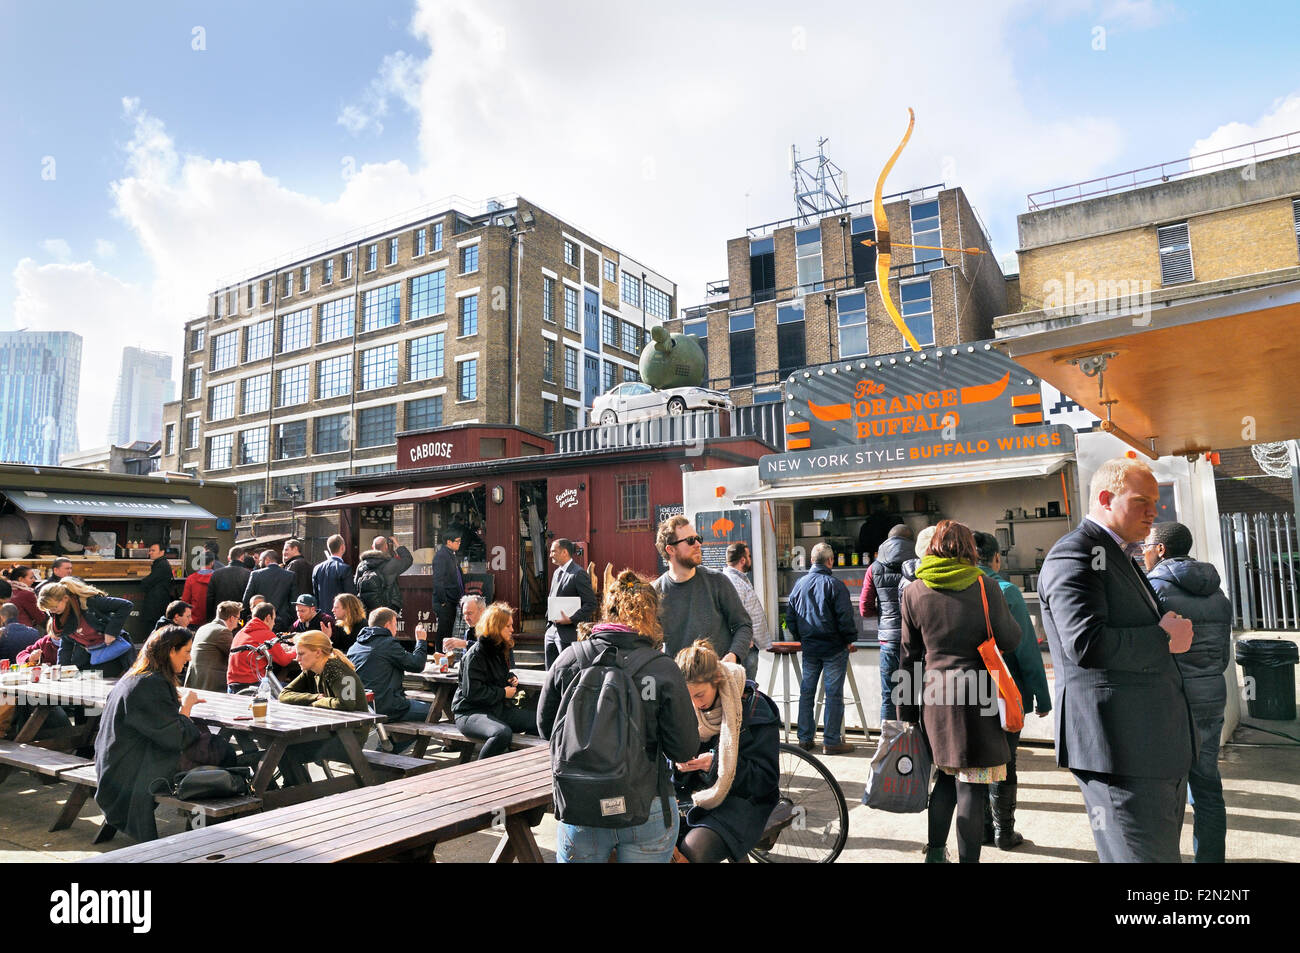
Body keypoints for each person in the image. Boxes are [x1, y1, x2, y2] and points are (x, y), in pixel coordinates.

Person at [1037, 457, 1195, 864]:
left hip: (1147, 747)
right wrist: (1163, 639)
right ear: (1106, 499)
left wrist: (1163, 623)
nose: (1153, 512)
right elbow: (1086, 643)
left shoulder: (1116, 552)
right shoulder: (1076, 552)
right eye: (1142, 500)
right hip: (1118, 751)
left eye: (1155, 501)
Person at [538, 570, 698, 863]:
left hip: (580, 805)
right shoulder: (662, 669)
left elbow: (547, 729)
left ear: (606, 609)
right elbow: (684, 749)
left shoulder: (570, 659)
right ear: (652, 614)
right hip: (646, 806)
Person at [899, 520, 1022, 863]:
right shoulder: (984, 586)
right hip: (978, 691)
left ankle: (935, 855)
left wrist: (905, 715)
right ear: (970, 549)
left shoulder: (914, 591)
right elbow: (1011, 640)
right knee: (972, 784)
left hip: (934, 695)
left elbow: (907, 658)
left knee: (945, 780)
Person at [93, 626, 234, 842]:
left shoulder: (135, 678)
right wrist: (186, 707)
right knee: (222, 751)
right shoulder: (150, 684)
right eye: (186, 652)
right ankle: (210, 828)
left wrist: (171, 701)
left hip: (114, 764)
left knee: (211, 749)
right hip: (131, 772)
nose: (188, 659)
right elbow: (177, 737)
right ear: (171, 651)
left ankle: (205, 823)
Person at [1144, 520, 1232, 864]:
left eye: (1147, 546)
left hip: (1172, 700)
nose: (1144, 553)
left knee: (1167, 789)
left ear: (1161, 549)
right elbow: (1223, 656)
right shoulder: (1217, 591)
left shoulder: (1152, 590)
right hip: (1211, 696)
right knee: (1207, 783)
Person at [973, 530, 1052, 850]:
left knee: (976, 762)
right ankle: (1004, 832)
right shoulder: (1006, 590)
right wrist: (1042, 697)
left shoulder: (954, 589)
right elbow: (1026, 650)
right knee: (1005, 760)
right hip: (1006, 692)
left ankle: (980, 831)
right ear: (995, 558)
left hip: (967, 692)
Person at [671, 639, 780, 863]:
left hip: (746, 801)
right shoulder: (687, 707)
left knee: (694, 850)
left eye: (699, 695)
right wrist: (680, 764)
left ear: (717, 680)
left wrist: (716, 764)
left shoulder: (754, 707)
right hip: (697, 797)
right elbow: (673, 773)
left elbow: (765, 779)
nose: (694, 703)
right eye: (687, 697)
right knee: (654, 841)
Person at [785, 542, 857, 755]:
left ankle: (805, 738)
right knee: (833, 694)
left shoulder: (799, 585)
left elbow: (790, 617)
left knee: (807, 692)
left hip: (810, 648)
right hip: (834, 647)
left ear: (810, 561)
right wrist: (849, 639)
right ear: (830, 561)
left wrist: (802, 637)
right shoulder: (835, 585)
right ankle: (832, 741)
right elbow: (845, 618)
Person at [652, 516, 752, 666]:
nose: (698, 544)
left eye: (698, 538)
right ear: (670, 549)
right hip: (679, 683)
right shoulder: (655, 592)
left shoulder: (717, 580)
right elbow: (651, 643)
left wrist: (733, 655)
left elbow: (743, 625)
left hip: (719, 678)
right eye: (690, 540)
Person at [451, 603, 538, 759]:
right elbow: (473, 693)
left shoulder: (500, 648)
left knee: (541, 721)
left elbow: (495, 675)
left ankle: (519, 762)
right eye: (508, 626)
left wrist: (509, 677)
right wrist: (503, 692)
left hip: (496, 709)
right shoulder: (475, 655)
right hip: (470, 712)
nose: (512, 629)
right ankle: (480, 775)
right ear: (496, 627)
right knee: (502, 733)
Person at [348, 607, 432, 751]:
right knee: (434, 713)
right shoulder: (387, 643)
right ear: (387, 625)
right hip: (388, 707)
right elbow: (417, 664)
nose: (396, 628)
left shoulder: (355, 646)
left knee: (428, 710)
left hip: (365, 706)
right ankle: (388, 751)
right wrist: (421, 641)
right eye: (395, 624)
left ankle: (388, 747)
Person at [279, 630, 369, 762]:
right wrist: (314, 698)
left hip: (350, 739)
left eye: (301, 654)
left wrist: (318, 702)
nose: (297, 659)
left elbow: (346, 703)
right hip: (330, 733)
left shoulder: (337, 669)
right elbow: (284, 694)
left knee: (285, 751)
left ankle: (296, 783)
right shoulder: (311, 670)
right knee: (283, 748)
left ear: (318, 652)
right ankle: (297, 783)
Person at [860, 524, 916, 721]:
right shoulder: (919, 566)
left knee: (888, 695)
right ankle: (913, 742)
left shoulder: (874, 568)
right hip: (914, 641)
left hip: (888, 641)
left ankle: (889, 743)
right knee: (913, 695)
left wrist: (884, 614)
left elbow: (864, 608)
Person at [37, 579, 135, 677]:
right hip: (92, 655)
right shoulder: (60, 618)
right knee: (84, 677)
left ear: (65, 598)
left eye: (54, 607)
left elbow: (126, 605)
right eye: (49, 610)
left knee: (99, 676)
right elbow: (65, 648)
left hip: (115, 650)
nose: (52, 612)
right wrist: (60, 671)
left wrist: (111, 632)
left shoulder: (90, 602)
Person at [543, 537, 598, 669]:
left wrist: (571, 619)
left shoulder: (578, 574)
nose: (550, 555)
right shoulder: (556, 573)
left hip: (568, 633)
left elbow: (591, 604)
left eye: (553, 551)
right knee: (549, 672)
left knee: (566, 672)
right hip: (551, 631)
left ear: (565, 552)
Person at [721, 542, 773, 681]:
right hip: (745, 646)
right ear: (743, 560)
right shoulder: (733, 580)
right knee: (746, 689)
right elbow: (735, 613)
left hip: (748, 643)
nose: (750, 559)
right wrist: (745, 639)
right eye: (748, 556)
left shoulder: (738, 578)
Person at [227, 602, 294, 693]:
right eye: (274, 619)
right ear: (268, 618)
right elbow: (284, 660)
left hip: (232, 686)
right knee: (294, 691)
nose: (274, 623)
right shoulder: (265, 633)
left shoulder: (241, 632)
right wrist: (296, 650)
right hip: (253, 685)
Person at [185, 600, 240, 692]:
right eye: (238, 619)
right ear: (232, 618)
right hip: (210, 684)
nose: (238, 623)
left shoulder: (203, 628)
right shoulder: (223, 631)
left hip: (195, 680)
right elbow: (235, 656)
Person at [355, 534, 414, 616]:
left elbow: (356, 585)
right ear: (386, 547)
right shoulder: (391, 563)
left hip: (367, 609)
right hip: (387, 607)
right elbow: (408, 559)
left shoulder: (362, 565)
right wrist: (397, 544)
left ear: (372, 547)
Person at [242, 549, 296, 632]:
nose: (259, 563)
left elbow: (246, 599)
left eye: (260, 560)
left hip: (260, 620)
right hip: (283, 621)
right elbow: (293, 600)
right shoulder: (290, 575)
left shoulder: (256, 574)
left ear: (267, 560)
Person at [429, 530, 465, 650]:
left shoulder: (451, 555)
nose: (459, 543)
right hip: (445, 601)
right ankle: (440, 654)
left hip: (452, 599)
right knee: (443, 630)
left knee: (448, 629)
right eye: (457, 541)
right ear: (449, 542)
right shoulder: (441, 556)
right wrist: (443, 601)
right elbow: (438, 581)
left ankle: (446, 655)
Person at [206, 552, 254, 623]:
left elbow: (210, 598)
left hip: (220, 617)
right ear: (242, 558)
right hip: (239, 619)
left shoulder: (216, 573)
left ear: (229, 558)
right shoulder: (249, 574)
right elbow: (250, 598)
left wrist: (210, 619)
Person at [140, 542, 175, 634]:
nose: (150, 553)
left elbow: (147, 582)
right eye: (150, 550)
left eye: (153, 550)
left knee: (153, 631)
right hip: (157, 604)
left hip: (156, 606)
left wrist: (143, 582)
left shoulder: (162, 565)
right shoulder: (160, 564)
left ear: (162, 552)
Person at [312, 534, 355, 610]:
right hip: (340, 614)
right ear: (342, 547)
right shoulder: (345, 569)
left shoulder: (317, 568)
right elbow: (350, 596)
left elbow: (316, 595)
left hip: (322, 614)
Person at [3, 565, 47, 629]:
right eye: (31, 578)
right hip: (24, 630)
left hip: (5, 630)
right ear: (20, 579)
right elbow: (39, 617)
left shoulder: (6, 590)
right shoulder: (26, 594)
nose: (34, 580)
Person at [181, 550, 216, 628]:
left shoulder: (191, 579)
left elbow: (185, 601)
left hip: (193, 620)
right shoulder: (218, 578)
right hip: (213, 621)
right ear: (212, 563)